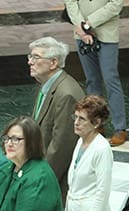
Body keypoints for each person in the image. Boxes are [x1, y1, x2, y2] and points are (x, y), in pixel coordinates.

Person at [64, 0, 127, 147]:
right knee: (92, 80)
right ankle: (95, 123)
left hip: (106, 32)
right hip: (81, 34)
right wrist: (81, 27)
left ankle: (120, 127)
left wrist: (89, 23)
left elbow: (115, 5)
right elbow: (71, 2)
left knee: (110, 79)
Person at [28, 36, 85, 199]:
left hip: (52, 182)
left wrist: (40, 182)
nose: (30, 62)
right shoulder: (47, 85)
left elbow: (61, 147)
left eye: (36, 57)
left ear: (53, 63)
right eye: (30, 56)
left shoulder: (66, 94)